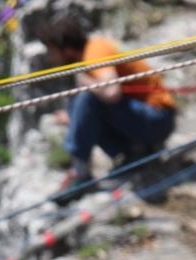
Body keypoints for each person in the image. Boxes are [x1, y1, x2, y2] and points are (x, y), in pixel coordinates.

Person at [34, 15, 177, 197]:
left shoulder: (94, 53)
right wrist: (73, 115)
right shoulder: (93, 49)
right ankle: (135, 153)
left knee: (88, 97)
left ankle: (80, 172)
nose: (50, 58)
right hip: (149, 119)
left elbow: (111, 93)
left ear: (67, 49)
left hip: (158, 118)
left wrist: (83, 80)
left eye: (51, 51)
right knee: (78, 103)